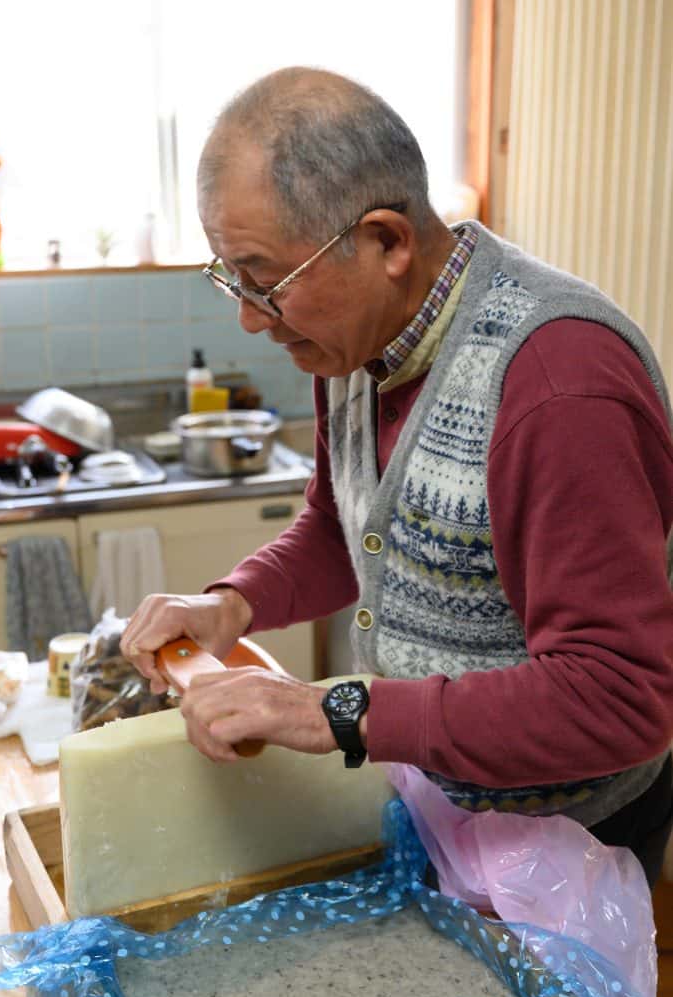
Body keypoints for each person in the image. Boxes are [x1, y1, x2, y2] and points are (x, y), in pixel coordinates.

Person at [122, 66, 673, 889]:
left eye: (266, 282)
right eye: (231, 278)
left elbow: (617, 698)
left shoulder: (559, 384)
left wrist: (336, 712)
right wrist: (232, 604)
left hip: (571, 836)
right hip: (437, 803)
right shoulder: (354, 344)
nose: (248, 316)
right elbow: (340, 527)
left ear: (386, 242)